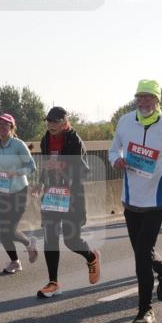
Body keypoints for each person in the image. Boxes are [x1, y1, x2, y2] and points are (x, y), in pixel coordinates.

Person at [109, 81, 162, 323]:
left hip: (157, 200)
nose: (143, 102)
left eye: (148, 97)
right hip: (130, 199)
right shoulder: (125, 121)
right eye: (140, 97)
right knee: (141, 251)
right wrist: (116, 160)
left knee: (142, 258)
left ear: (157, 101)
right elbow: (113, 150)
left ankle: (145, 310)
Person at [35, 107, 102, 299]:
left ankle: (91, 257)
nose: (51, 125)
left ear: (65, 123)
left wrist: (62, 165)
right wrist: (40, 183)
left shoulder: (73, 139)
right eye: (48, 121)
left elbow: (84, 170)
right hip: (52, 194)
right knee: (50, 237)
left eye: (55, 122)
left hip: (72, 196)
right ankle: (53, 283)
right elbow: (46, 165)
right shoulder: (45, 140)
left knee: (71, 240)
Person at [0, 113, 38, 274]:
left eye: (5, 124)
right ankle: (15, 262)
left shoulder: (18, 145)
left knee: (10, 229)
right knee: (2, 230)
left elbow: (32, 167)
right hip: (2, 192)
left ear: (12, 127)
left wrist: (15, 172)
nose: (2, 127)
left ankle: (29, 243)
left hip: (19, 191)